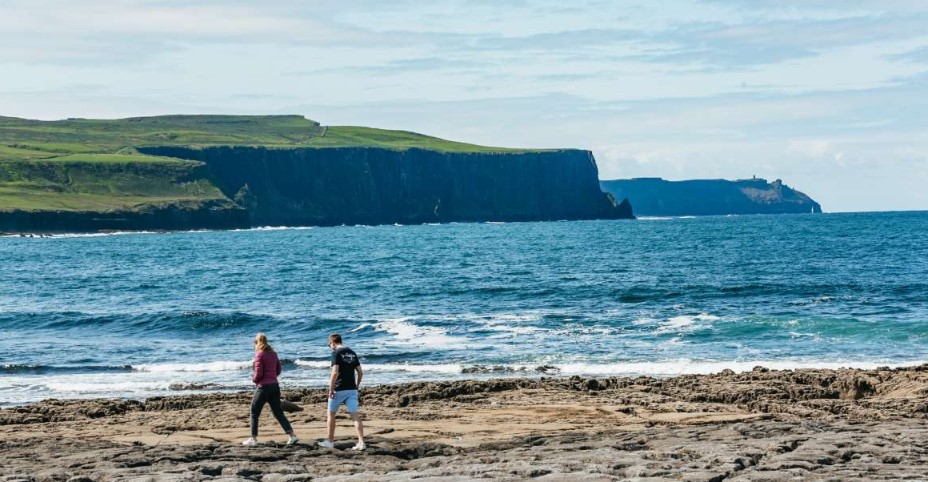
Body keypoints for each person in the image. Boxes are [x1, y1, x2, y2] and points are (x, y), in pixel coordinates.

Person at [242, 332, 299, 446]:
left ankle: (253, 438)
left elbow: (259, 373)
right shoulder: (273, 354)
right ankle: (292, 435)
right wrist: (271, 378)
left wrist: (254, 380)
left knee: (254, 411)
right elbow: (278, 370)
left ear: (257, 342)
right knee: (278, 413)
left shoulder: (260, 355)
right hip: (275, 386)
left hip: (263, 387)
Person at [317, 333, 365, 450]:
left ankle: (330, 441)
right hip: (351, 389)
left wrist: (331, 388)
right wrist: (357, 385)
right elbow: (360, 372)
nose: (330, 347)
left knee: (331, 414)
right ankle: (361, 442)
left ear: (332, 343)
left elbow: (335, 372)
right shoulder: (352, 353)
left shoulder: (336, 353)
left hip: (339, 389)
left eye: (330, 345)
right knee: (354, 415)